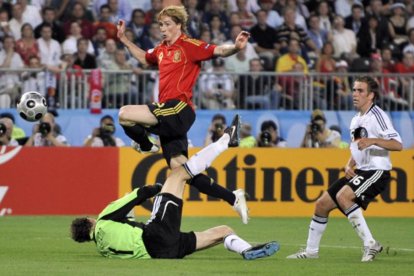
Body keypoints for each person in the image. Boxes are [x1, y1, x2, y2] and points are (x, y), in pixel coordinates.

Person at [70, 115, 280, 260]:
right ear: (90, 221)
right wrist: (158, 188)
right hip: (155, 236)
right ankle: (225, 140)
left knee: (222, 232)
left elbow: (129, 228)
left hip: (165, 251)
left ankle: (247, 250)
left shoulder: (103, 249)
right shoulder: (104, 219)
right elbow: (135, 196)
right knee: (179, 174)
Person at [116, 5, 250, 224]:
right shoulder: (160, 49)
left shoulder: (189, 45)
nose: (163, 28)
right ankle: (233, 197)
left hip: (179, 109)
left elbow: (218, 50)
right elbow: (143, 57)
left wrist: (235, 47)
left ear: (179, 25)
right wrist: (124, 39)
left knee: (125, 114)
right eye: (160, 24)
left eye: (168, 24)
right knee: (181, 172)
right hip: (167, 114)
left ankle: (147, 145)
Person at [287, 76, 403, 262]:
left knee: (343, 197)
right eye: (354, 90)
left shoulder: (378, 116)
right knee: (321, 204)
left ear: (371, 95)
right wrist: (350, 163)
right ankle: (311, 252)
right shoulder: (357, 119)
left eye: (360, 91)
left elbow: (397, 144)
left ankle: (370, 243)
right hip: (361, 169)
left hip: (377, 170)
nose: (355, 94)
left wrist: (374, 140)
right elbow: (359, 146)